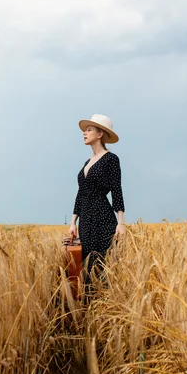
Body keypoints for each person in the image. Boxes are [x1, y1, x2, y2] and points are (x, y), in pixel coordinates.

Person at [68, 114, 126, 299]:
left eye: (89, 130)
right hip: (85, 222)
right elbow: (81, 193)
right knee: (86, 270)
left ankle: (103, 315)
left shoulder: (111, 159)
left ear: (100, 134)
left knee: (100, 269)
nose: (84, 133)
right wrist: (73, 222)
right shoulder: (87, 163)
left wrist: (121, 222)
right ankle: (87, 316)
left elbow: (117, 189)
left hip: (103, 219)